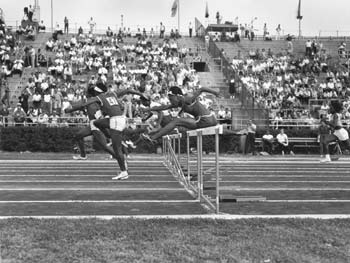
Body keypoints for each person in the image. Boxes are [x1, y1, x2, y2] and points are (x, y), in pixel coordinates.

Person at [65, 88, 147, 180]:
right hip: (97, 123)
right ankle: (84, 155)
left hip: (104, 122)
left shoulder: (94, 99)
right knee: (79, 135)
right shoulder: (105, 96)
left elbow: (83, 105)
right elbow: (82, 106)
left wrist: (69, 109)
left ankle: (122, 160)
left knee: (107, 146)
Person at [141, 86, 220, 143]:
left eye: (171, 99)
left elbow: (202, 89)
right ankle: (154, 137)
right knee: (177, 124)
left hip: (206, 119)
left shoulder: (188, 98)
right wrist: (149, 109)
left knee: (176, 121)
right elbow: (164, 107)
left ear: (177, 96)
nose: (171, 102)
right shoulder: (178, 102)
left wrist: (215, 93)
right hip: (206, 120)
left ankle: (154, 137)